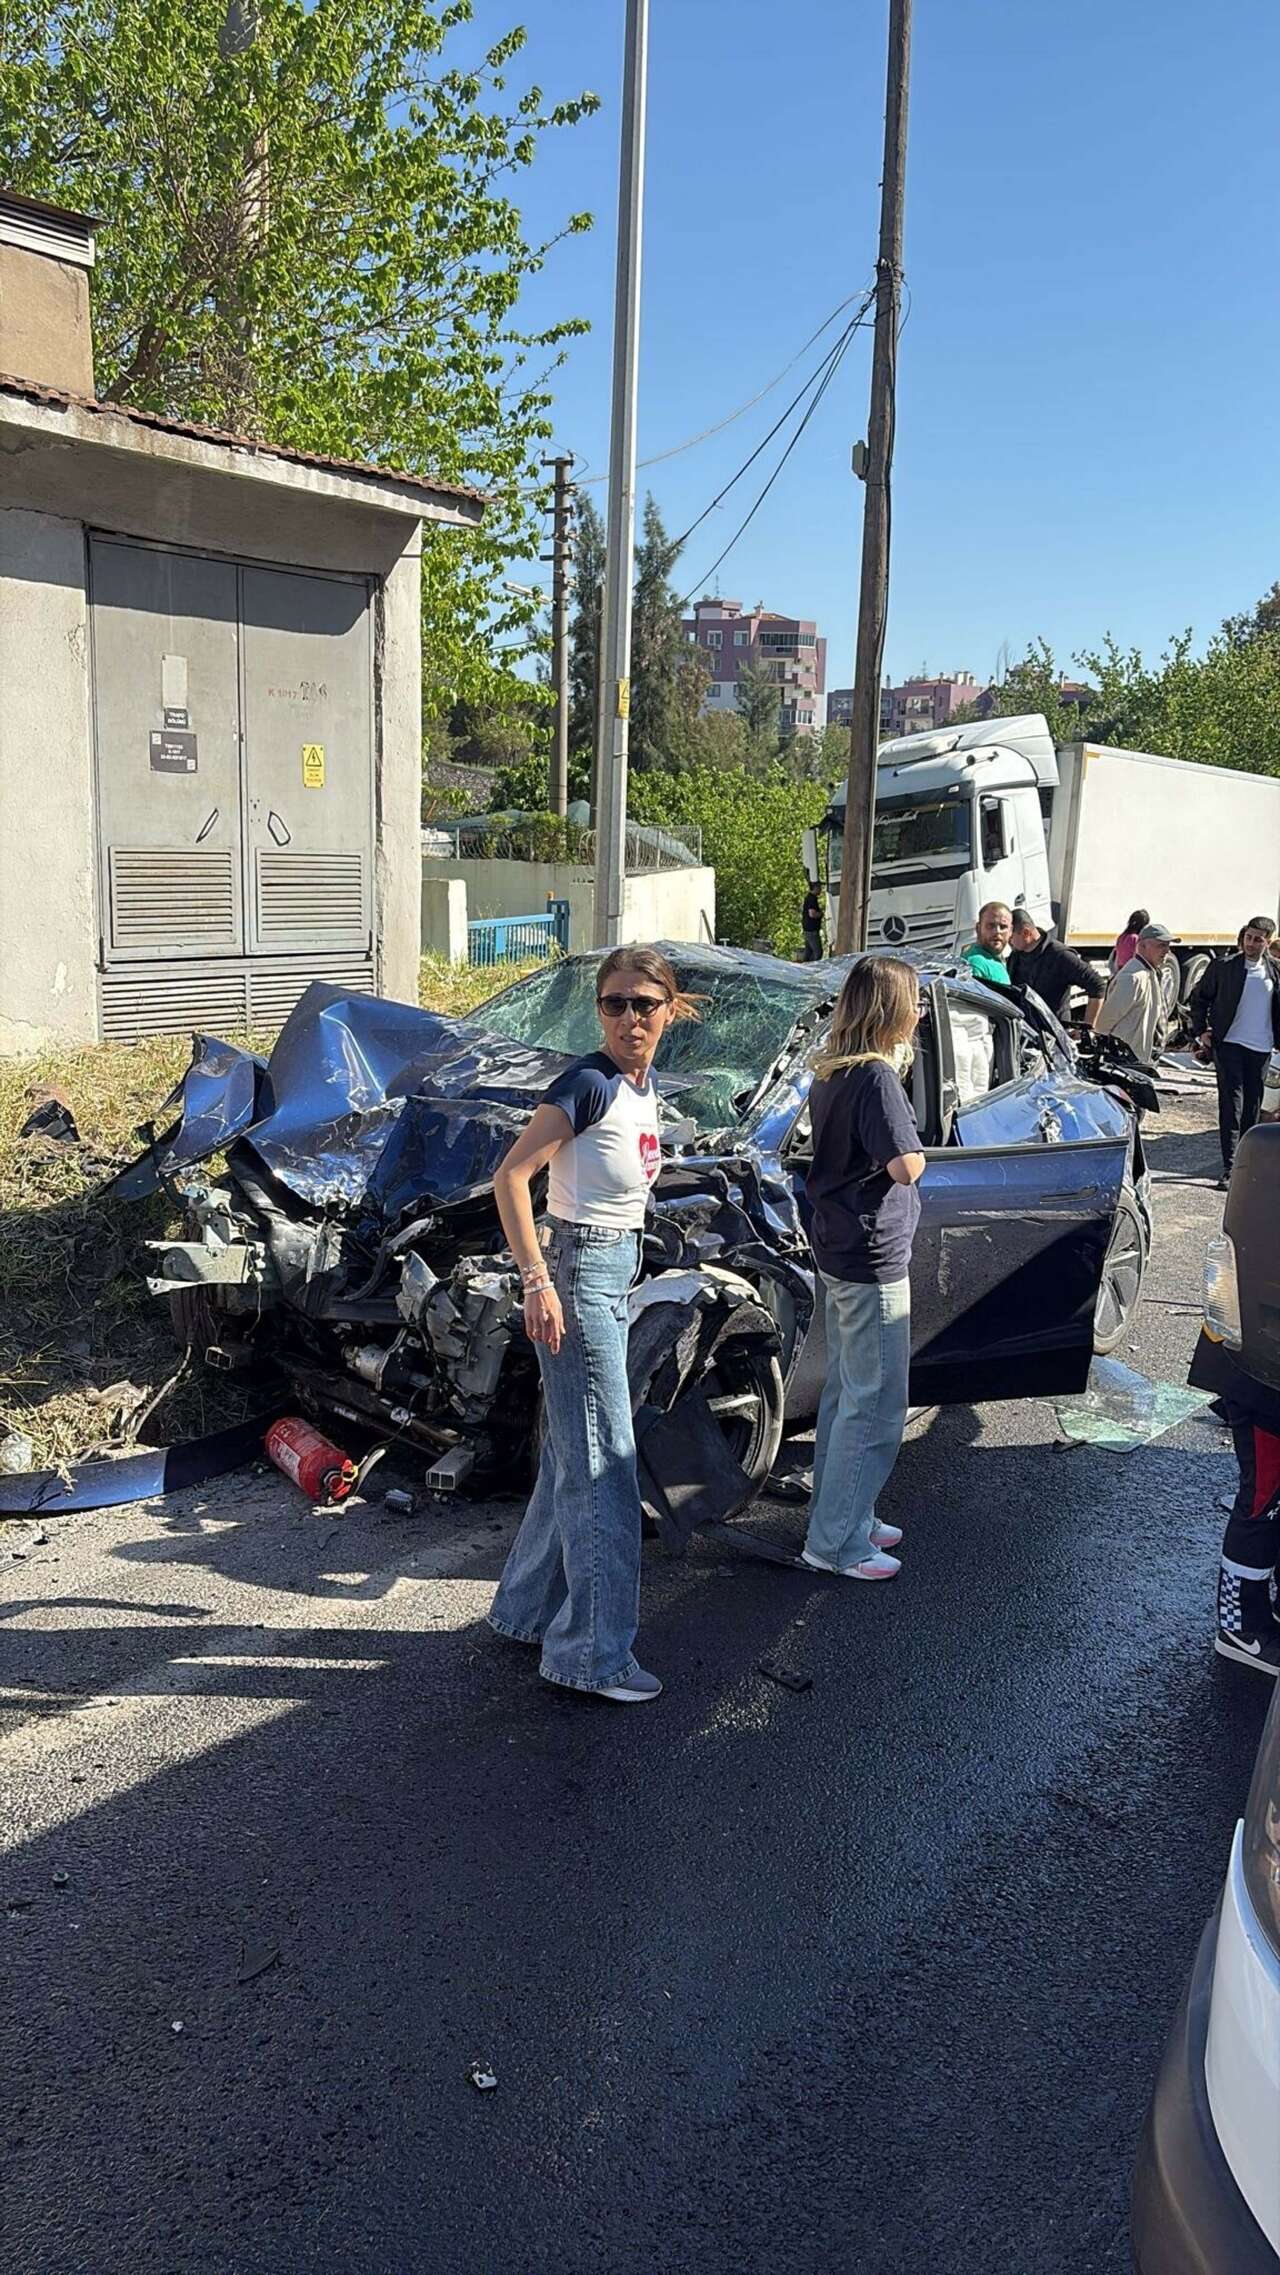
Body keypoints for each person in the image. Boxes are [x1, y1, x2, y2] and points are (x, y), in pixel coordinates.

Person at [487, 946, 697, 1704]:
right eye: (614, 1003)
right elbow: (511, 1177)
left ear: (670, 1010)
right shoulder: (588, 1082)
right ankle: (591, 1654)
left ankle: (524, 1610)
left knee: (574, 1452)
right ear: (598, 1011)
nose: (629, 1017)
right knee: (606, 1460)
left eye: (644, 1003)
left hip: (612, 1270)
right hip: (574, 1274)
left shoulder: (641, 1087)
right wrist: (537, 1280)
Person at [801, 956, 926, 1581]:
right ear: (891, 1011)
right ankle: (837, 1541)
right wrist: (919, 1152)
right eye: (916, 1002)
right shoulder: (876, 1076)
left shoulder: (833, 1072)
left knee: (847, 1391)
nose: (921, 1013)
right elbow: (904, 1164)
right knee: (875, 1401)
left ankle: (849, 1512)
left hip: (841, 1247)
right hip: (873, 1257)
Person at [1189, 916, 1280, 1189]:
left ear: (1268, 941)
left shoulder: (1275, 971)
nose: (1251, 943)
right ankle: (1230, 1169)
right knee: (1231, 1105)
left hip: (1261, 1047)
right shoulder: (1223, 967)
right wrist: (1201, 1030)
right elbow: (1199, 998)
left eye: (1258, 939)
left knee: (1252, 1108)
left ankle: (1247, 1165)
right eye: (1248, 937)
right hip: (1228, 1044)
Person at [1094, 920, 1175, 1065]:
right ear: (1142, 946)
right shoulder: (1132, 977)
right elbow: (1105, 1023)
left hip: (1140, 1058)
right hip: (1127, 1059)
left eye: (1168, 946)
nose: (1167, 951)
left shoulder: (1149, 972)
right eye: (1161, 945)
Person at [1007, 910, 1106, 1026]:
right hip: (1025, 1031)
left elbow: (1097, 985)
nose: (1008, 943)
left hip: (1054, 1035)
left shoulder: (1060, 955)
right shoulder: (1016, 956)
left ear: (1026, 933)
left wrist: (1088, 1028)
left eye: (1010, 938)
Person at [959, 901, 1012, 988]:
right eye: (990, 926)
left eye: (1003, 927)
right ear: (978, 928)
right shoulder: (975, 964)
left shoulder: (995, 957)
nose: (997, 931)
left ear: (1010, 931)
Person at [1112, 908, 1149, 972]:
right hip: (1131, 970)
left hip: (1120, 970)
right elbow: (1140, 958)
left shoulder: (1121, 937)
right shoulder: (1135, 939)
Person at [801, 884, 825, 963]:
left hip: (807, 928)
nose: (820, 890)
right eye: (819, 888)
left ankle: (805, 966)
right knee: (818, 952)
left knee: (809, 951)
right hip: (812, 929)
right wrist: (820, 914)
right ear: (815, 888)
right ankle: (812, 967)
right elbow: (812, 914)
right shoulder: (812, 899)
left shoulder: (808, 897)